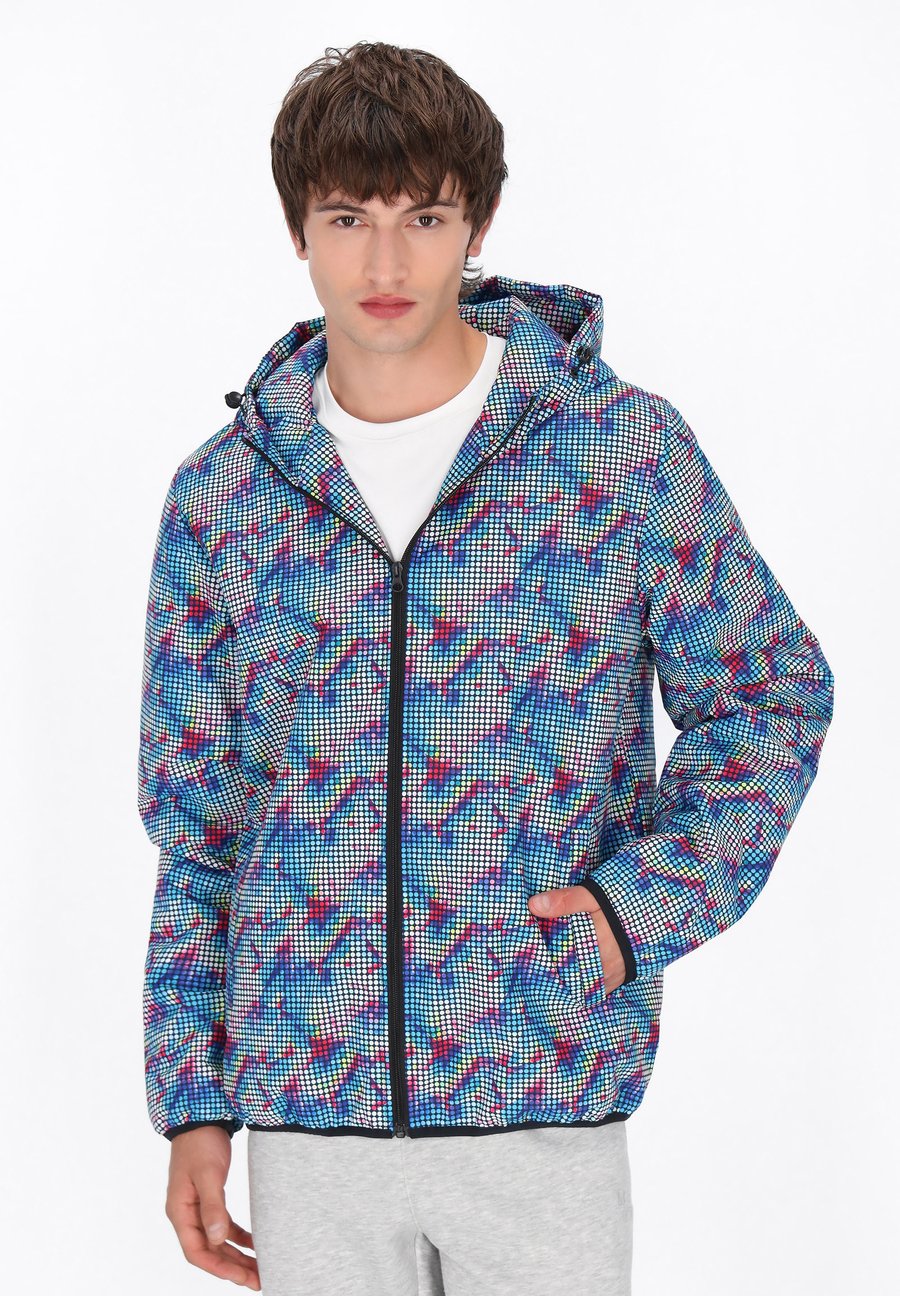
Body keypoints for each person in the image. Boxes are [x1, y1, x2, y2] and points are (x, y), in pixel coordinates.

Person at [136, 40, 835, 1296]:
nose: (386, 265)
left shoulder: (614, 451)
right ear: (298, 230)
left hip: (541, 1095)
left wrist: (632, 913)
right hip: (311, 1120)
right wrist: (193, 1098)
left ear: (479, 224)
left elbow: (769, 698)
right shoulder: (223, 498)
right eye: (348, 219)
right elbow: (201, 821)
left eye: (424, 218)